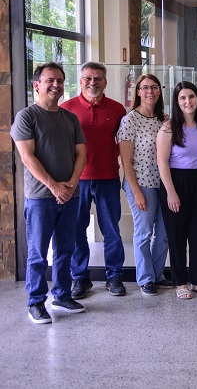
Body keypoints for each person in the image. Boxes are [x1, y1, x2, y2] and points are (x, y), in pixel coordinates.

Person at [11, 62, 87, 323]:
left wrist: (72, 184)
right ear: (37, 85)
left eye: (60, 80)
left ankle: (62, 295)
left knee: (66, 250)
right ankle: (35, 302)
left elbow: (81, 153)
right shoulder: (27, 117)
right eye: (50, 80)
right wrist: (54, 186)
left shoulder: (70, 118)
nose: (56, 85)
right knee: (38, 254)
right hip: (40, 198)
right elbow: (27, 157)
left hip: (70, 195)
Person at [60, 62, 127, 299]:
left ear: (105, 82)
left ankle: (114, 276)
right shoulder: (67, 109)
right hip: (77, 181)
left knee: (111, 231)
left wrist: (111, 156)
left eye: (98, 78)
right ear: (80, 82)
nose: (92, 82)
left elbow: (124, 143)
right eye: (88, 78)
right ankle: (80, 278)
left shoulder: (117, 109)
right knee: (77, 230)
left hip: (108, 178)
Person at [157, 82, 197, 300]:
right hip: (175, 181)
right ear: (176, 102)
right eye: (182, 98)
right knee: (177, 235)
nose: (188, 101)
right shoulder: (168, 128)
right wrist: (171, 192)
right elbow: (162, 162)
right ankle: (180, 282)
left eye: (191, 97)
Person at [117, 73, 169, 296]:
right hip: (141, 183)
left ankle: (157, 274)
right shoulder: (130, 120)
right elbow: (126, 161)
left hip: (163, 183)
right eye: (145, 87)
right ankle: (146, 278)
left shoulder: (164, 119)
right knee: (144, 231)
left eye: (154, 87)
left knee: (164, 233)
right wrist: (136, 191)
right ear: (137, 91)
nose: (150, 91)